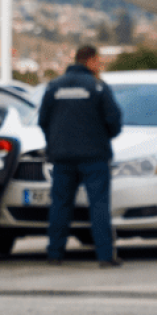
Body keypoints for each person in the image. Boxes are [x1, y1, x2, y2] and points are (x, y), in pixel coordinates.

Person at [38, 44, 123, 267]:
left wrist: (54, 143)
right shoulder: (98, 86)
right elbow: (114, 121)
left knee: (60, 205)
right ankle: (105, 256)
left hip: (62, 157)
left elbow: (43, 121)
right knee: (98, 205)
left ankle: (54, 253)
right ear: (92, 60)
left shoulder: (53, 86)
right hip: (94, 156)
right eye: (98, 61)